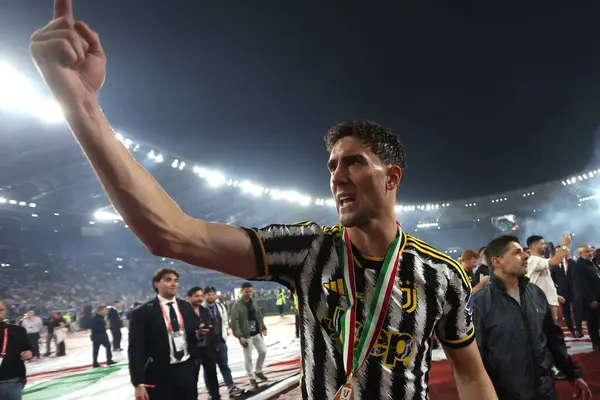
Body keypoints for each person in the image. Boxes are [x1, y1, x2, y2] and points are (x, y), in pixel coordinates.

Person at [29, 2, 496, 398]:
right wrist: (82, 105)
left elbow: (470, 372)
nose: (337, 175)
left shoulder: (441, 274)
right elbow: (170, 233)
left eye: (353, 162)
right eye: (331, 165)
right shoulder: (310, 249)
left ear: (392, 177)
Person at [473, 236, 592, 400]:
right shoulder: (480, 304)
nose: (526, 256)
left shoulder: (535, 293)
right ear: (497, 262)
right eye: (517, 252)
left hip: (545, 391)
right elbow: (476, 360)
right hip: (507, 394)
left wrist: (572, 373)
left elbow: (553, 339)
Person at [128, 269, 203, 400]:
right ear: (156, 284)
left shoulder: (186, 307)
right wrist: (138, 383)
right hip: (159, 374)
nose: (173, 284)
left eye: (175, 280)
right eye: (168, 280)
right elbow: (136, 350)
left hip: (186, 370)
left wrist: (200, 333)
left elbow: (194, 333)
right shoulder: (143, 313)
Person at [203, 286, 244, 396]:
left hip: (220, 341)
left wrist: (225, 334)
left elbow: (225, 320)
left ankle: (230, 386)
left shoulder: (220, 306)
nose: (211, 296)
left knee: (224, 365)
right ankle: (211, 391)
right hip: (207, 343)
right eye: (208, 294)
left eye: (212, 294)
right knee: (209, 369)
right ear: (205, 295)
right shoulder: (202, 308)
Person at [230, 282, 268, 390]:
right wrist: (239, 336)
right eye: (246, 291)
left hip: (256, 332)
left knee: (263, 351)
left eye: (250, 291)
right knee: (248, 357)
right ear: (242, 291)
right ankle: (252, 378)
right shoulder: (237, 305)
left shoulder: (253, 302)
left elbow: (258, 315)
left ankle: (258, 371)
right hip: (246, 335)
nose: (249, 293)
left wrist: (263, 327)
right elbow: (234, 321)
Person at [187, 287, 221, 400]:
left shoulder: (204, 310)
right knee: (192, 379)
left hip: (208, 349)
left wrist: (215, 345)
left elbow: (211, 328)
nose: (200, 298)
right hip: (192, 351)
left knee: (212, 376)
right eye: (196, 296)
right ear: (189, 297)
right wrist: (196, 331)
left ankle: (215, 396)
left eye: (201, 296)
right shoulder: (184, 312)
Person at [0, 299, 32, 400]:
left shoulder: (18, 331)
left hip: (11, 382)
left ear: (5, 311)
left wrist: (29, 353)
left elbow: (29, 349)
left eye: (0, 310)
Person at [572, 244, 600, 351]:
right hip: (591, 300)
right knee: (592, 322)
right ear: (580, 254)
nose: (590, 253)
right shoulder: (579, 266)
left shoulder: (591, 264)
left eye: (590, 251)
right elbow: (582, 285)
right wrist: (591, 299)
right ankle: (596, 344)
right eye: (587, 251)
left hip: (597, 297)